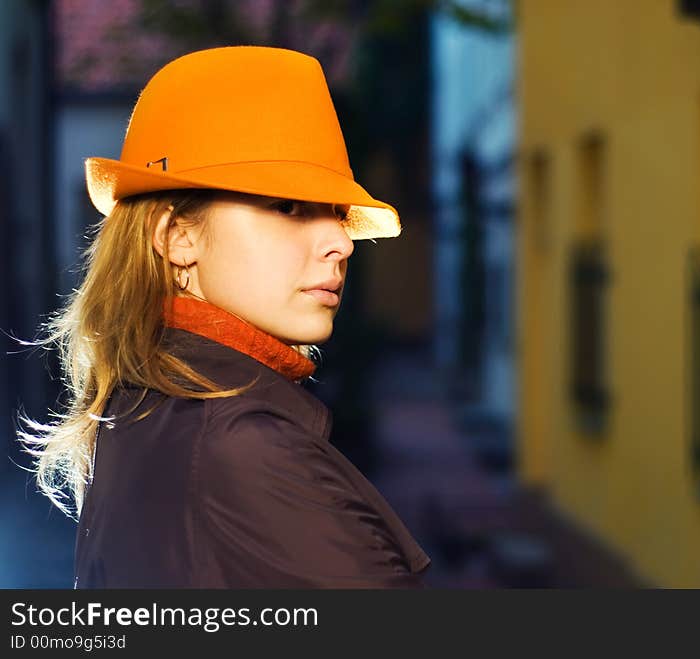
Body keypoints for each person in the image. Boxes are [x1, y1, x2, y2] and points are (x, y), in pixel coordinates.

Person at [17, 46, 431, 588]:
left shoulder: (140, 409)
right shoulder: (242, 450)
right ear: (177, 237)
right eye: (288, 207)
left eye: (334, 212)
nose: (340, 242)